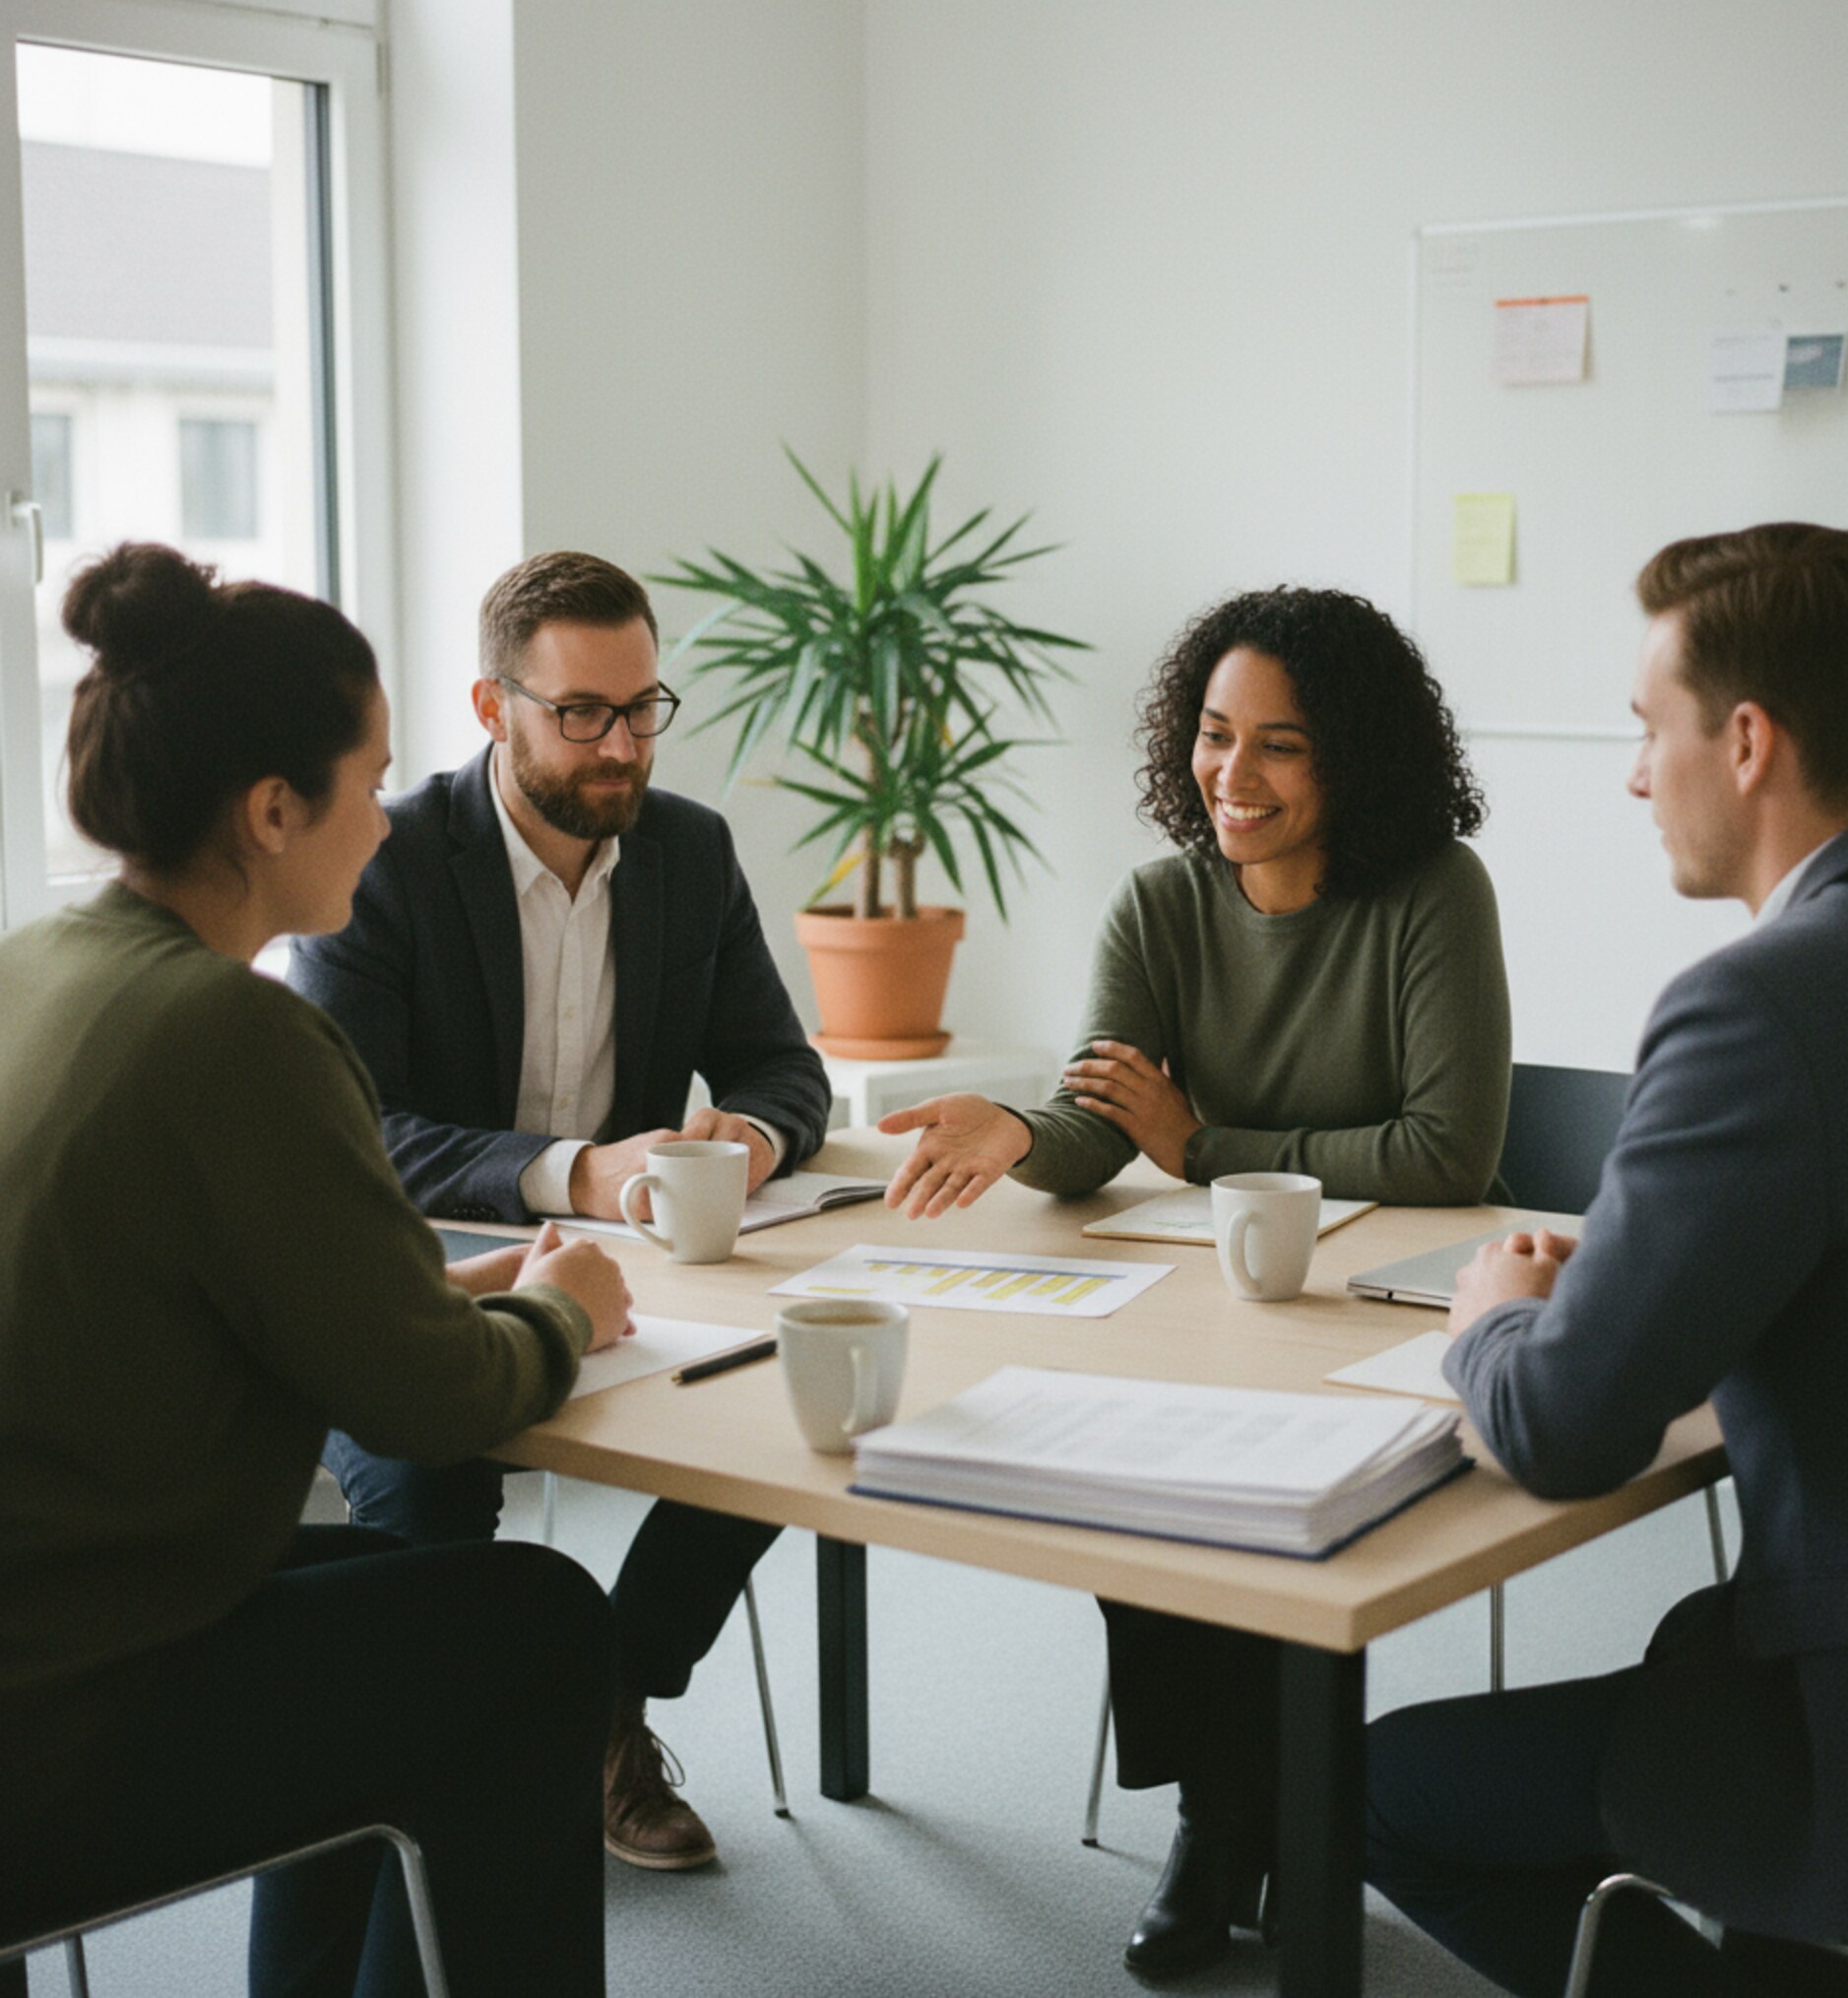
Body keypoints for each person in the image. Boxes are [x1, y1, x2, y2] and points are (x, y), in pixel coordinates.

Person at [1367, 524, 1848, 1997]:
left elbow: (1563, 1431)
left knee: (1377, 1787)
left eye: (1646, 730)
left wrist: (1493, 1315)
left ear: (1744, 741)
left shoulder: (1762, 1004)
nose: (1633, 774)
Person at [0, 544, 637, 1997]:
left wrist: (452, 1290)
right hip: (62, 1715)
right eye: (372, 781)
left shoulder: (40, 965)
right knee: (535, 1624)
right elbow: (424, 1400)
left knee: (398, 1599)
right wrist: (558, 1306)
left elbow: (229, 1293)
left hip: (49, 1607)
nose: (393, 824)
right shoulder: (234, 1032)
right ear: (273, 810)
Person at [880, 585, 1513, 1976]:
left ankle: (1242, 1826)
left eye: (1280, 746)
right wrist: (1019, 1130)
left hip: (1372, 1319)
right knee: (1136, 1473)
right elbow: (1104, 1117)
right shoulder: (1162, 903)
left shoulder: (1430, 894)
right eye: (1216, 737)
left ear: (1354, 758)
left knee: (1284, 1505)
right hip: (1215, 1303)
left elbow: (1448, 1149)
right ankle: (1229, 1819)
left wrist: (1206, 1142)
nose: (1233, 776)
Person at [291, 550, 829, 1871]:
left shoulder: (689, 850)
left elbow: (785, 1066)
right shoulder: (385, 859)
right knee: (426, 1476)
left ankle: (603, 1704)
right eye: (581, 712)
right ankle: (452, 1791)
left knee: (795, 1414)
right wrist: (568, 1173)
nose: (620, 745)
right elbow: (352, 1131)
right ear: (494, 709)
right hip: (428, 1284)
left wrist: (746, 1139)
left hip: (644, 1286)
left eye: (643, 708)